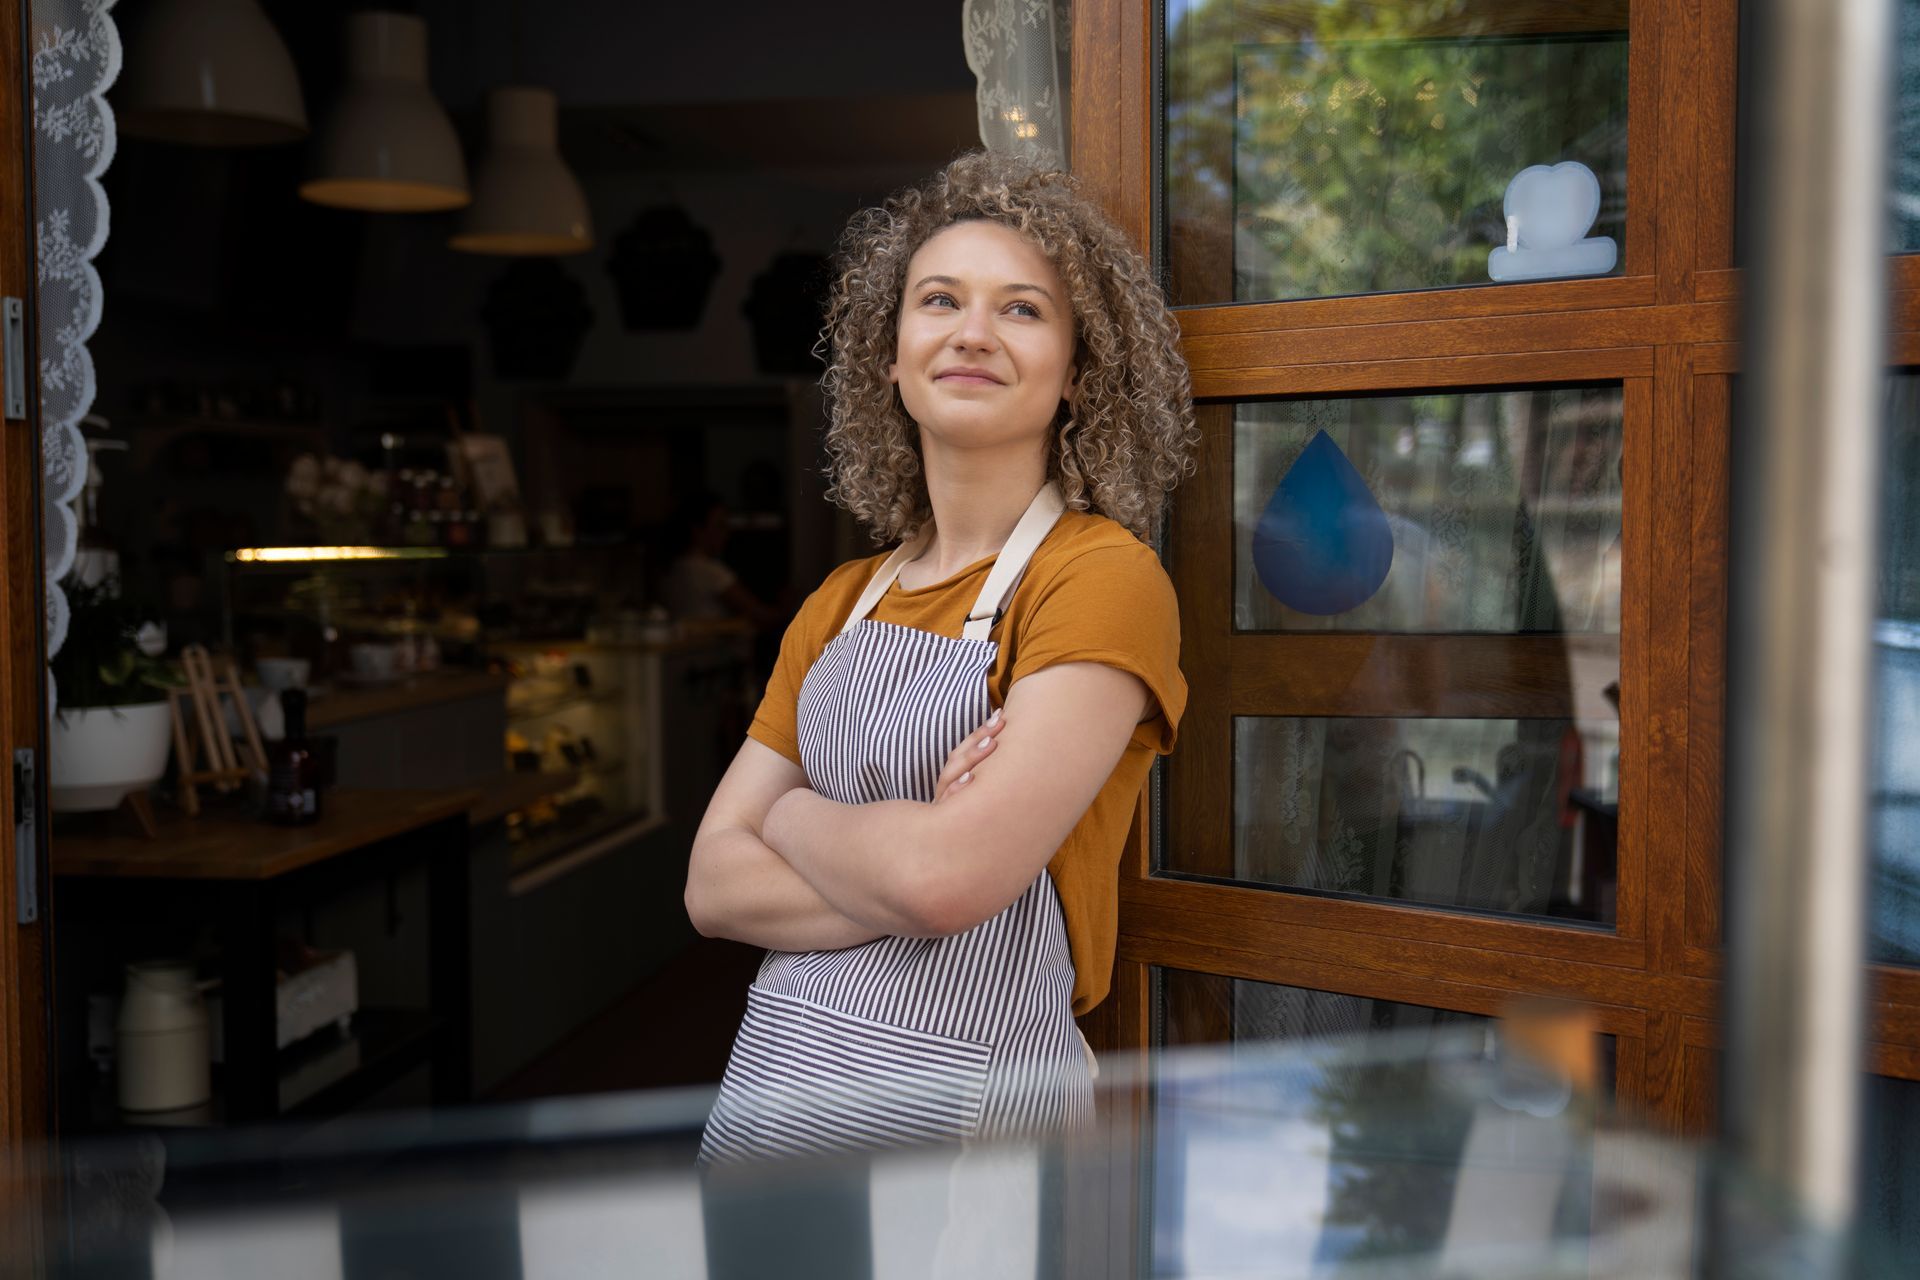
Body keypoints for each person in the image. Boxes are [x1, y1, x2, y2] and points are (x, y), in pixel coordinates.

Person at [683, 151, 1197, 1169]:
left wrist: (785, 817)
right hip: (782, 1086)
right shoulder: (838, 603)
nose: (972, 332)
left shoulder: (1100, 577)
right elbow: (710, 885)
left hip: (976, 1120)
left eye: (1021, 310)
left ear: (1079, 369)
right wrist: (910, 851)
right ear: (891, 351)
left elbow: (947, 879)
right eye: (940, 300)